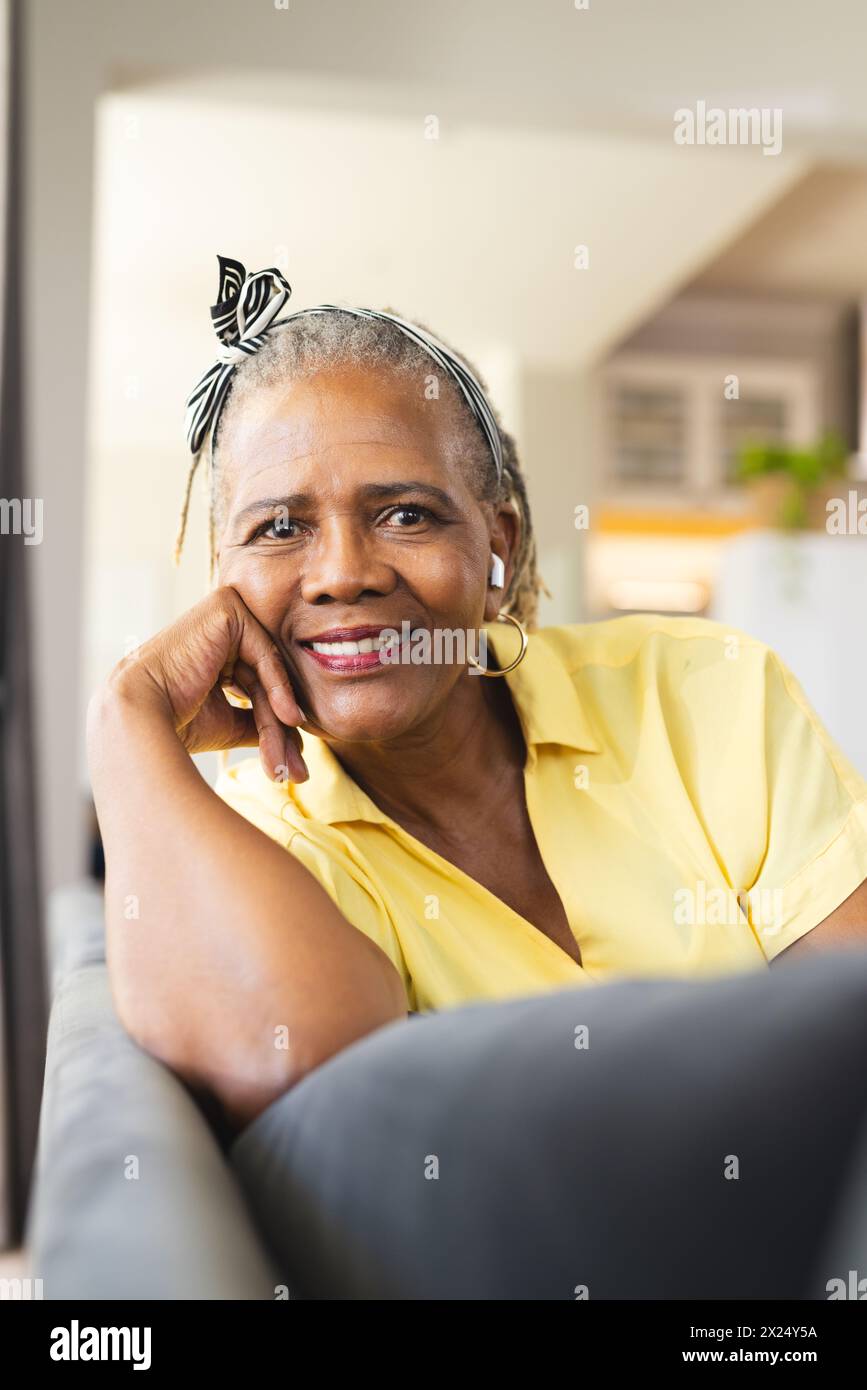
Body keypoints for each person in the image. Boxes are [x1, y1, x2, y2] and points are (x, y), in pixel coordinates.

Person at [87, 255, 867, 1134]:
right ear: (220, 584)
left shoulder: (702, 694)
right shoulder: (265, 843)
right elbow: (293, 1052)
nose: (343, 573)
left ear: (496, 547)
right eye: (279, 528)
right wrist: (125, 720)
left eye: (406, 514)